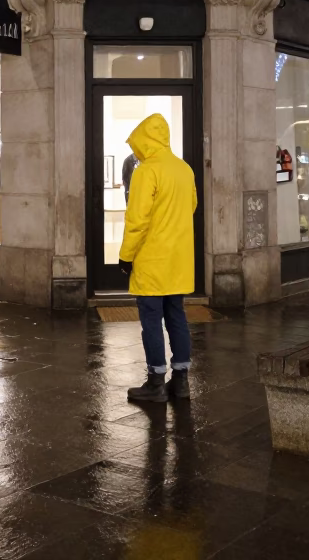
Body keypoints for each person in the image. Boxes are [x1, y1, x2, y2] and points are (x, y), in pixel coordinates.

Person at [119, 113, 197, 403]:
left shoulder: (146, 171)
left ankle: (155, 382)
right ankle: (181, 381)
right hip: (179, 260)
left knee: (151, 320)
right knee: (177, 315)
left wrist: (126, 256)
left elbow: (137, 220)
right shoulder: (184, 169)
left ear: (144, 140)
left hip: (152, 260)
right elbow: (191, 205)